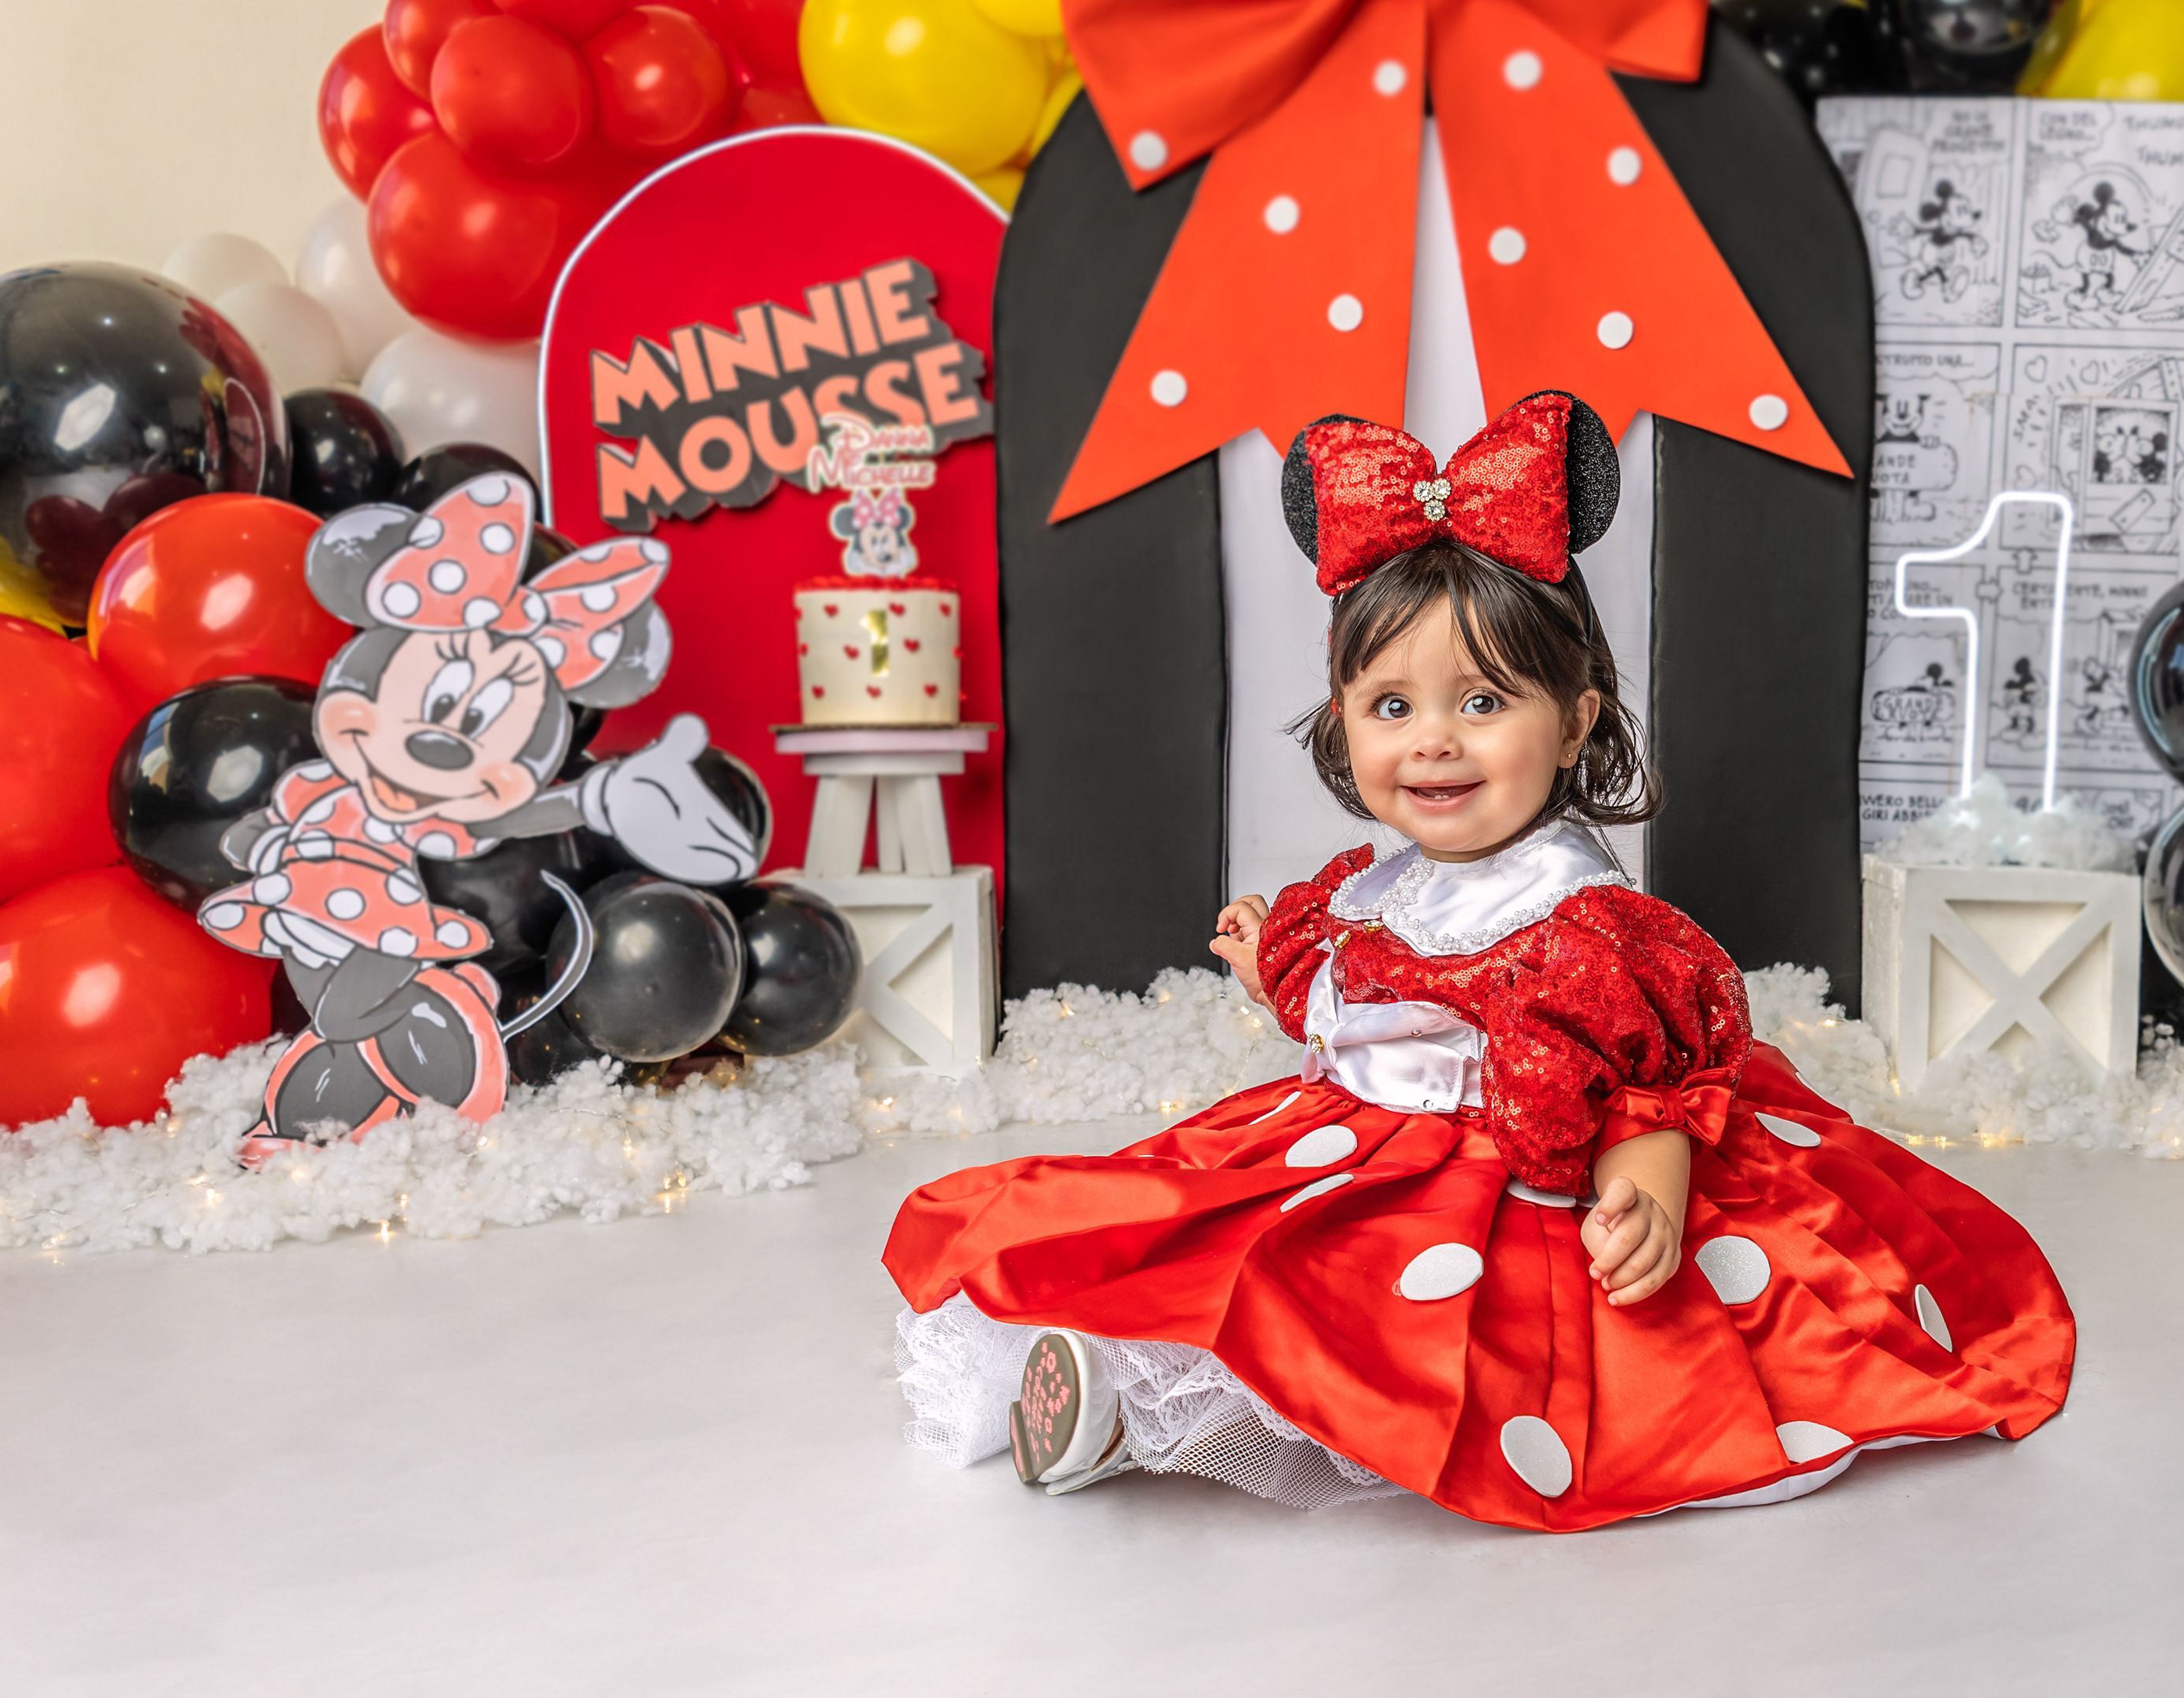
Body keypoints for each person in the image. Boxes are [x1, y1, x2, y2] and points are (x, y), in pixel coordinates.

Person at [880, 392, 2076, 1532]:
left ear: (1576, 721)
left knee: (1367, 1308)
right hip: (1349, 1140)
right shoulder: (1377, 888)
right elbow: (1356, 1001)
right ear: (1343, 719)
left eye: (1485, 702)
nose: (1434, 742)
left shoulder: (1584, 924)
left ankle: (1153, 1413)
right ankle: (1109, 1381)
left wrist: (1649, 1189)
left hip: (1504, 1179)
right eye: (1391, 707)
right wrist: (1269, 963)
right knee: (1208, 1235)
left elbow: (1646, 1085)